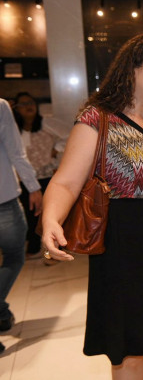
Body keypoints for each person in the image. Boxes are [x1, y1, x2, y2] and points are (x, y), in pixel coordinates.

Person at [40, 34, 143, 380]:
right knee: (129, 351)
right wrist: (51, 220)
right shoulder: (97, 120)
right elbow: (66, 182)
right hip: (123, 250)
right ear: (133, 69)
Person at [0, 98, 43, 353]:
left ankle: (2, 312)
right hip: (4, 199)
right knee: (14, 256)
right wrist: (33, 187)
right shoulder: (0, 106)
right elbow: (15, 151)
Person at [12, 92, 67, 259]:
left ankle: (57, 249)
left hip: (47, 176)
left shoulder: (46, 122)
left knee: (51, 214)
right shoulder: (14, 128)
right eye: (23, 104)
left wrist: (57, 148)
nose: (28, 106)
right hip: (25, 179)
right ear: (16, 108)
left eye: (31, 102)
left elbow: (70, 134)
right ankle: (35, 246)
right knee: (30, 215)